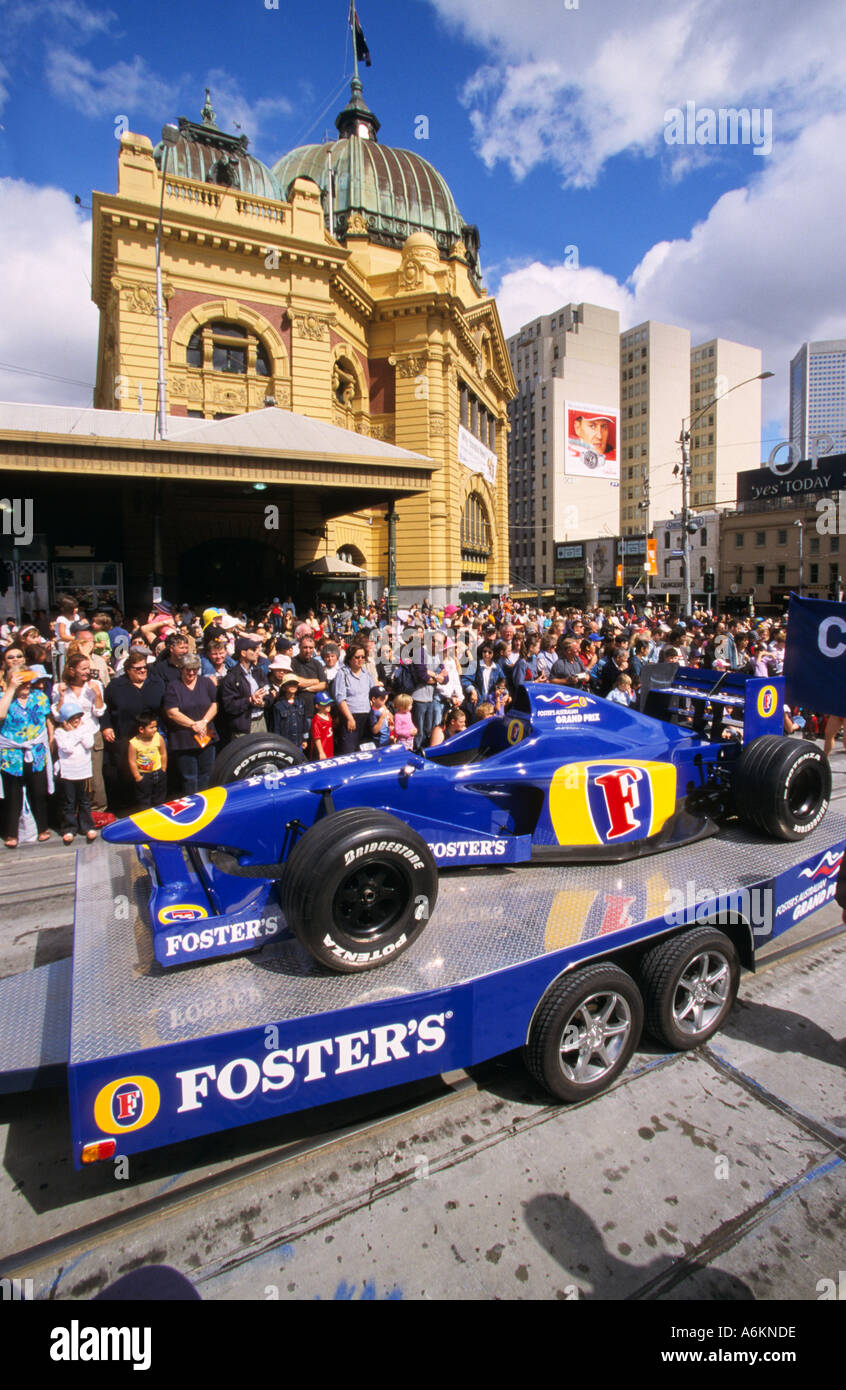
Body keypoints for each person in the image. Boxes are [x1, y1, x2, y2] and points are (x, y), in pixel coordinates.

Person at [0, 668, 53, 846]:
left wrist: (51, 739)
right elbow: (1, 714)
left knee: (38, 791)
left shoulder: (39, 697)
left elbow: (47, 719)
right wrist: (11, 689)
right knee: (13, 794)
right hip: (12, 754)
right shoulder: (4, 697)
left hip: (36, 750)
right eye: (22, 683)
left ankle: (43, 827)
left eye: (27, 683)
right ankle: (11, 833)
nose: (26, 686)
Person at [163, 655, 219, 794]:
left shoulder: (206, 683)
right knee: (189, 778)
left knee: (206, 774)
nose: (191, 673)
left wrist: (204, 722)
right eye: (188, 670)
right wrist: (193, 725)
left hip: (206, 736)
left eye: (195, 669)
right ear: (181, 669)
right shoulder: (173, 686)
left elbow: (215, 704)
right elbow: (172, 712)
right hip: (184, 739)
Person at [54, 698, 97, 843]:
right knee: (68, 802)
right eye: (73, 719)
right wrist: (75, 733)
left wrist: (78, 733)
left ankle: (87, 826)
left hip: (83, 771)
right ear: (65, 721)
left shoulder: (85, 729)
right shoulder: (59, 732)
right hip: (68, 773)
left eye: (78, 718)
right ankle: (69, 828)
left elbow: (89, 743)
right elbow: (67, 748)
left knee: (84, 800)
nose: (77, 721)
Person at [219, 637, 269, 743]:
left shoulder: (258, 672)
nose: (257, 652)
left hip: (261, 721)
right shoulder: (231, 677)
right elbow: (229, 706)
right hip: (243, 726)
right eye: (253, 650)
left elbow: (268, 690)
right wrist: (250, 700)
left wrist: (263, 702)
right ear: (243, 653)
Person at [333, 643, 375, 753]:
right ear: (350, 658)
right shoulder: (342, 674)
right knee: (349, 751)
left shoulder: (366, 674)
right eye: (357, 657)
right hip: (351, 717)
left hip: (366, 717)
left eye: (362, 657)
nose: (360, 659)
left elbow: (374, 694)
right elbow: (340, 698)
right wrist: (349, 718)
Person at [128, 711, 167, 809]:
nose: (155, 729)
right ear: (141, 729)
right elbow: (132, 761)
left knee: (159, 798)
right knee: (144, 800)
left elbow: (163, 753)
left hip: (158, 772)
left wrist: (163, 768)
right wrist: (138, 777)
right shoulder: (134, 743)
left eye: (155, 727)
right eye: (151, 727)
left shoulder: (158, 737)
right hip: (144, 775)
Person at [269, 675, 309, 750]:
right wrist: (277, 743)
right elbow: (276, 727)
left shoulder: (301, 703)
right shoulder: (278, 705)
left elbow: (304, 723)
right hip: (284, 744)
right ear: (284, 687)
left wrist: (305, 739)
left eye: (294, 684)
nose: (292, 686)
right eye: (289, 684)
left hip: (299, 743)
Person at [310, 690, 335, 761]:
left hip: (329, 747)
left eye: (329, 703)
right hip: (321, 749)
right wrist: (321, 752)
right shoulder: (316, 720)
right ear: (317, 706)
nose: (328, 706)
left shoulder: (328, 715)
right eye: (325, 704)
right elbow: (317, 738)